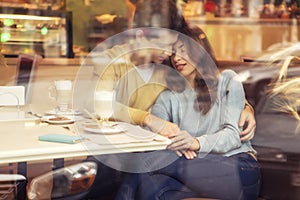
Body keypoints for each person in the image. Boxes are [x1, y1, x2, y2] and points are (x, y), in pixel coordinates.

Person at [115, 31, 261, 200]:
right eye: (174, 53)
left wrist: (195, 143)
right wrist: (173, 141)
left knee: (146, 163)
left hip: (237, 168)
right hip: (192, 171)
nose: (177, 58)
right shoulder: (167, 97)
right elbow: (154, 138)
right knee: (151, 186)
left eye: (183, 50)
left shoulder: (227, 80)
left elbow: (233, 136)